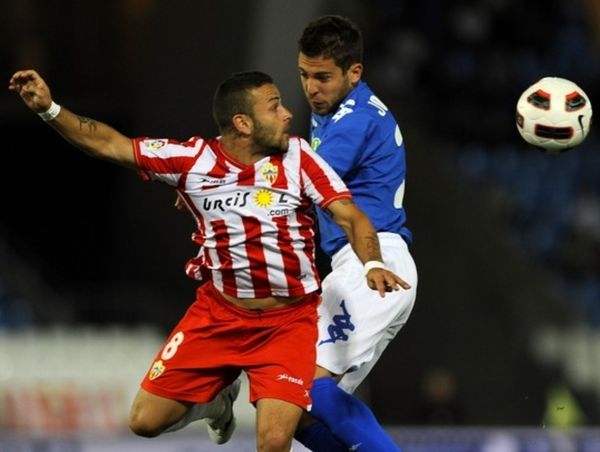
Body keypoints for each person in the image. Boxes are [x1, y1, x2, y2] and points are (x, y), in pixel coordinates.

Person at [9, 69, 410, 452]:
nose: (288, 114)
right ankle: (215, 403)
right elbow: (111, 144)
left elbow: (350, 215)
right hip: (219, 317)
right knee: (144, 421)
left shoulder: (298, 158)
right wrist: (50, 109)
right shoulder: (193, 160)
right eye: (274, 107)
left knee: (274, 441)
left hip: (287, 324)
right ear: (243, 123)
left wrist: (372, 263)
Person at [293, 15, 418, 452]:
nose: (311, 88)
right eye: (304, 75)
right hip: (358, 265)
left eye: (323, 77)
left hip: (374, 263)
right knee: (295, 409)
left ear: (354, 72)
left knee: (308, 385)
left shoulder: (354, 119)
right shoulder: (333, 110)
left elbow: (301, 181)